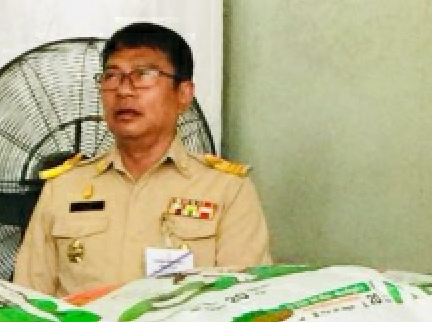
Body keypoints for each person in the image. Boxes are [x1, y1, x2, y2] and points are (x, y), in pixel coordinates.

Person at [14, 22, 269, 300]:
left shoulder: (225, 190)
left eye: (143, 75)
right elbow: (30, 301)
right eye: (111, 76)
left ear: (183, 94)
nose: (123, 91)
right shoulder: (63, 188)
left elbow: (242, 304)